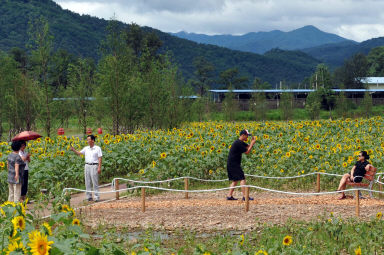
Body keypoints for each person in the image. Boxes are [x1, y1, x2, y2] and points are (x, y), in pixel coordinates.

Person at [70, 135, 103, 202]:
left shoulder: (97, 148)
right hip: (87, 165)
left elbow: (100, 158)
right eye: (87, 140)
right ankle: (89, 197)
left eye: (89, 139)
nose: (87, 141)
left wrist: (99, 167)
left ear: (93, 140)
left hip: (94, 165)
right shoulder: (86, 148)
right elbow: (79, 153)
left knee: (95, 181)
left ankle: (96, 197)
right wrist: (73, 150)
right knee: (87, 181)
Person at [226, 129, 256, 201]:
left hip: (232, 163)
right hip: (233, 164)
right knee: (242, 178)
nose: (247, 138)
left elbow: (248, 146)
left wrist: (252, 143)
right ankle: (245, 196)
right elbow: (247, 151)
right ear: (243, 135)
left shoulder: (240, 142)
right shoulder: (238, 143)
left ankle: (229, 195)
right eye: (247, 136)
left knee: (235, 180)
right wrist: (252, 143)